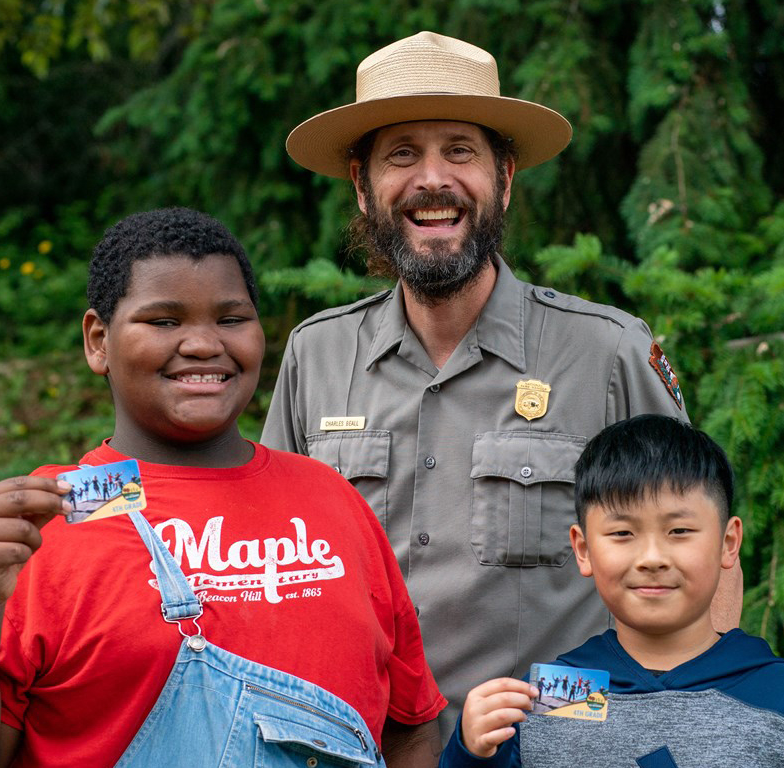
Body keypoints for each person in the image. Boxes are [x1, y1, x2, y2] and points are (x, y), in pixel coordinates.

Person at [263, 30, 742, 733]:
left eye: (460, 150)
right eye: (402, 154)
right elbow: (273, 569)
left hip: (556, 745)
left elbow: (699, 555)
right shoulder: (317, 356)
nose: (433, 179)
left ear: (505, 180)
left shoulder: (606, 353)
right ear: (363, 189)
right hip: (356, 744)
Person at [0, 208, 445, 767]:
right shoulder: (42, 523)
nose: (202, 344)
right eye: (164, 321)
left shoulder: (329, 499)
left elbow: (409, 732)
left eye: (230, 319)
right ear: (99, 341)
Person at [440, 415, 784, 767]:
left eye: (680, 531)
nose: (652, 557)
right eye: (622, 533)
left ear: (728, 543)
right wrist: (470, 752)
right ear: (583, 550)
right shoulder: (553, 695)